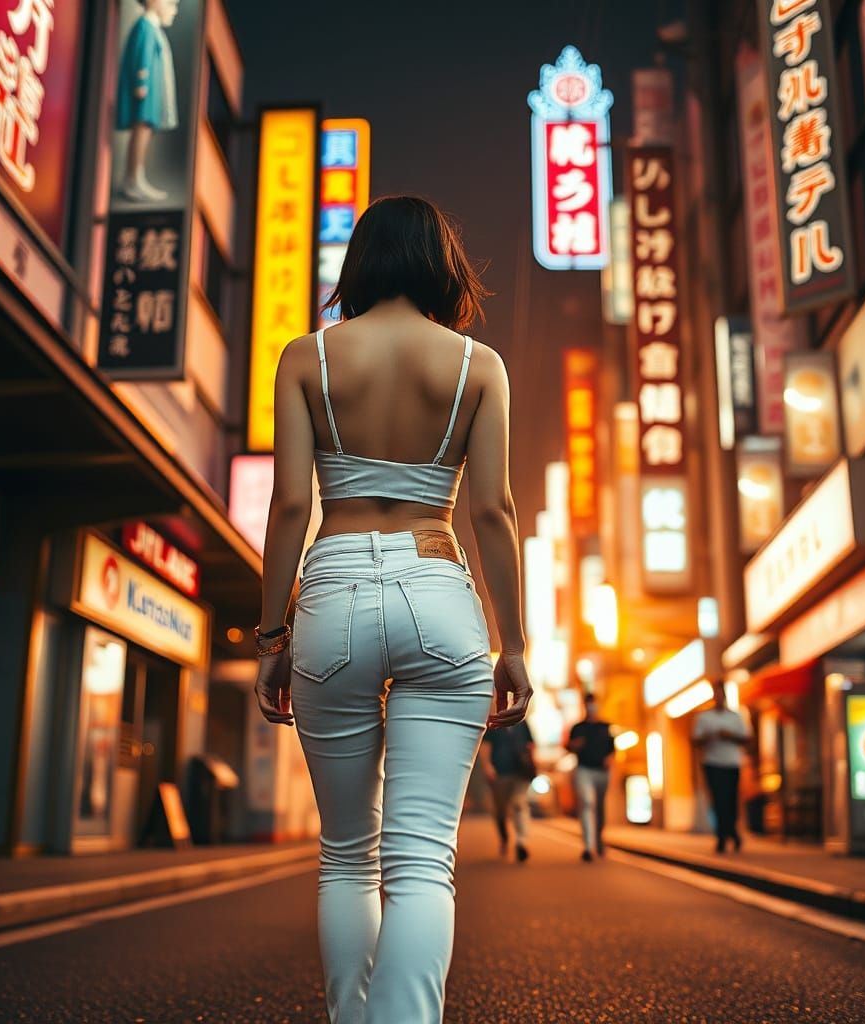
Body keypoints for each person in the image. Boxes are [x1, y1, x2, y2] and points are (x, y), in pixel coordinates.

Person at [253, 195, 533, 1024]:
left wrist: (272, 635)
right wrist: (511, 644)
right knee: (421, 863)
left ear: (360, 264)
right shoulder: (478, 365)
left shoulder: (307, 357)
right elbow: (494, 512)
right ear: (442, 268)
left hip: (331, 589)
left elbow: (287, 509)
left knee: (345, 857)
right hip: (439, 585)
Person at [116, 0, 180, 201]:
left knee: (146, 130)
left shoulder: (152, 28)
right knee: (141, 129)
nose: (173, 9)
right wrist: (141, 84)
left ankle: (137, 176)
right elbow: (142, 56)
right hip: (146, 93)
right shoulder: (145, 26)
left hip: (153, 92)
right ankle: (133, 178)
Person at [692, 680, 751, 853]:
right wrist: (709, 737)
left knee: (731, 800)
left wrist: (729, 736)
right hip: (712, 762)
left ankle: (730, 831)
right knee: (718, 800)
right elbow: (695, 741)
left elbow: (746, 739)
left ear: (724, 695)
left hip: (732, 763)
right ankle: (722, 836)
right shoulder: (704, 717)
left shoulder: (735, 717)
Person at [480, 719, 535, 862]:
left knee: (519, 804)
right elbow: (485, 746)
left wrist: (531, 762)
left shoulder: (522, 722)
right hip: (500, 773)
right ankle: (504, 837)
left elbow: (530, 744)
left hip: (520, 772)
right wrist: (487, 766)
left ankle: (521, 842)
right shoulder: (494, 723)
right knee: (500, 811)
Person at [567, 693, 614, 862]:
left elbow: (612, 749)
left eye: (594, 704)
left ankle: (599, 839)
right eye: (588, 704)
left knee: (599, 808)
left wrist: (610, 759)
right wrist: (575, 745)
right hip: (584, 770)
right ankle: (588, 846)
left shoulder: (605, 726)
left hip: (602, 772)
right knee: (587, 804)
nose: (591, 707)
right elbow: (569, 747)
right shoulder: (578, 727)